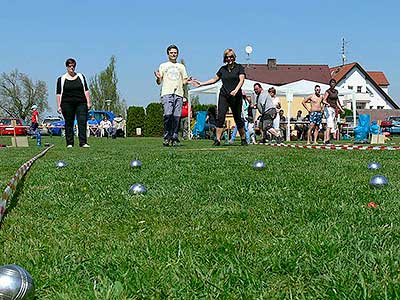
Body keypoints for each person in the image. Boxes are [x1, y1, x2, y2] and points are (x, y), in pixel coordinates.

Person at [192, 48, 247, 146]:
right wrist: (201, 84)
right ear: (225, 58)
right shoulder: (223, 69)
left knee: (237, 118)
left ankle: (243, 138)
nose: (229, 59)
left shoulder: (239, 67)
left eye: (231, 57)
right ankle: (217, 140)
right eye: (227, 57)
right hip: (224, 95)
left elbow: (241, 80)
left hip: (236, 96)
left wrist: (236, 90)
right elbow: (214, 79)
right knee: (220, 117)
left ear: (234, 57)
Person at [154, 45, 191, 147]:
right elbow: (159, 81)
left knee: (176, 117)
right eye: (171, 53)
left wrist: (188, 81)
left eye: (175, 53)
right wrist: (157, 78)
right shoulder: (163, 66)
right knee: (168, 115)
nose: (173, 54)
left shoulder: (181, 67)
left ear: (177, 54)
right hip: (167, 93)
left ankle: (174, 138)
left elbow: (184, 81)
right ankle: (166, 137)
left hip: (179, 94)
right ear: (168, 54)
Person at [56, 58, 91, 148]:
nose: (72, 67)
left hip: (81, 102)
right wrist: (59, 106)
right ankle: (70, 143)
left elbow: (86, 90)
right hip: (67, 103)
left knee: (82, 122)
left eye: (73, 66)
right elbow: (59, 93)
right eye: (70, 66)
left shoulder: (81, 77)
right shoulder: (61, 79)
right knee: (69, 123)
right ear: (67, 67)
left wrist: (88, 102)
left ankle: (83, 142)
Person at [322, 79, 345, 144]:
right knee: (329, 123)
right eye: (332, 83)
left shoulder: (336, 91)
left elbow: (337, 102)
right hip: (328, 108)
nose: (333, 84)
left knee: (331, 124)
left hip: (334, 109)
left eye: (334, 83)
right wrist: (327, 103)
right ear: (330, 84)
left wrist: (341, 109)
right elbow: (324, 100)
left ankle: (326, 139)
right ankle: (327, 139)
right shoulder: (327, 91)